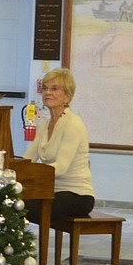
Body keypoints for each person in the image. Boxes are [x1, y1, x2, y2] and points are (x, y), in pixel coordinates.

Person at [23, 68, 95, 221]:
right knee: (10, 200)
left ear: (67, 97)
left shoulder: (73, 123)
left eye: (54, 89)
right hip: (53, 192)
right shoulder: (45, 125)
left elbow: (61, 167)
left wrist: (30, 175)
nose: (47, 93)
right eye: (45, 88)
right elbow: (28, 159)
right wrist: (9, 171)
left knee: (21, 205)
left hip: (78, 195)